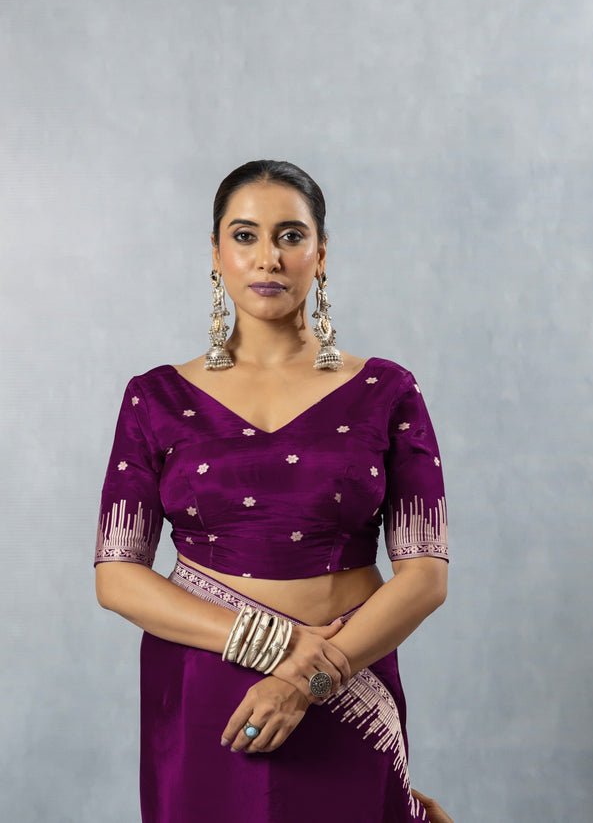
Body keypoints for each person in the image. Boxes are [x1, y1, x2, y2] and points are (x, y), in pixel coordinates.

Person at [95, 159, 451, 823]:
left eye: (290, 235)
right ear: (217, 255)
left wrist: (314, 673)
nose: (269, 257)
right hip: (207, 687)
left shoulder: (387, 391)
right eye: (245, 235)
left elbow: (426, 575)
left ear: (320, 254)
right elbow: (117, 576)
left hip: (343, 680)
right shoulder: (155, 399)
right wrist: (272, 645)